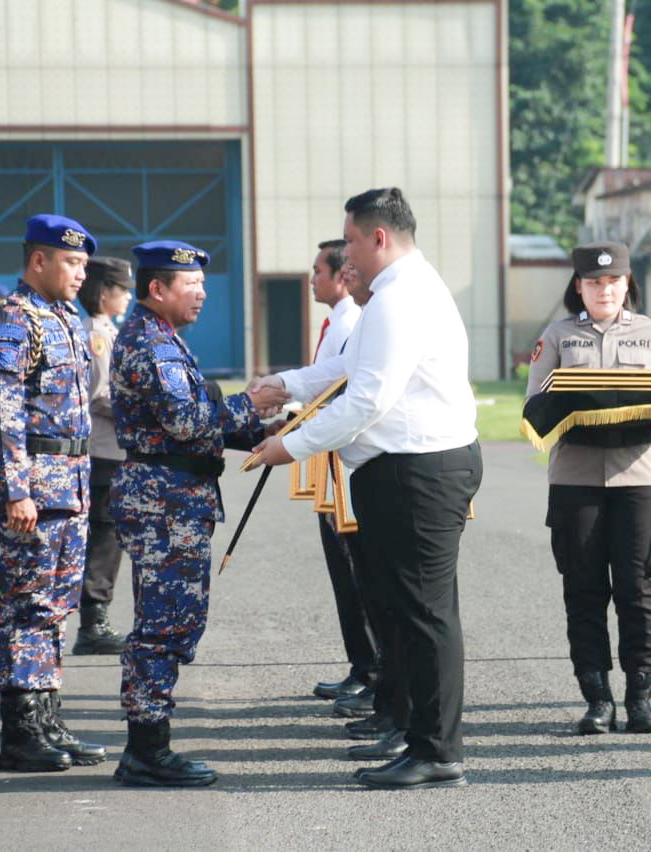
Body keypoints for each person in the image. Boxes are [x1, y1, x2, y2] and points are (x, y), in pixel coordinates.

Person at [250, 187, 482, 790]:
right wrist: (283, 383)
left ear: (379, 237)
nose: (346, 252)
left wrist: (289, 445)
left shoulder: (400, 298)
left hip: (419, 470)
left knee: (425, 615)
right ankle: (419, 733)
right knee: (406, 610)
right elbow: (348, 368)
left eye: (351, 239)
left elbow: (366, 399)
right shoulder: (397, 293)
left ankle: (436, 749)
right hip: (407, 468)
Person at [109, 240, 289, 787]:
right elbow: (189, 424)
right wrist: (250, 405)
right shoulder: (150, 345)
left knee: (172, 622)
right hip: (164, 504)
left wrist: (269, 430)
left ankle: (149, 745)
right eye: (192, 285)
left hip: (175, 501)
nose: (203, 294)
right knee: (162, 627)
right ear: (157, 288)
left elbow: (203, 419)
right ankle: (146, 751)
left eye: (204, 285)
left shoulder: (165, 340)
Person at [523, 241, 651, 737]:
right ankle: (597, 700)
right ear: (578, 286)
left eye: (613, 281)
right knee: (584, 591)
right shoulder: (556, 337)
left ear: (627, 283)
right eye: (593, 282)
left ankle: (640, 699)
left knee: (639, 590)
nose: (604, 290)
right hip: (575, 476)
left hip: (638, 477)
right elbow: (535, 403)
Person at [0, 213, 107, 772]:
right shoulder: (13, 320)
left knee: (54, 609)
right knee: (25, 607)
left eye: (83, 264)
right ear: (39, 261)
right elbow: (1, 415)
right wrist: (15, 491)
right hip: (34, 492)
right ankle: (20, 734)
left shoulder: (66, 318)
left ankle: (47, 718)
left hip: (70, 485)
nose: (81, 274)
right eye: (72, 262)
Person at [304, 239, 382, 715]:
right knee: (344, 569)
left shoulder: (354, 321)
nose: (313, 279)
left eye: (319, 271)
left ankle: (371, 668)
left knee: (358, 569)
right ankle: (362, 665)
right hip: (330, 456)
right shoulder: (338, 322)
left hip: (349, 459)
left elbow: (342, 393)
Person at [73, 256, 134, 655]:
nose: (127, 296)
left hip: (111, 448)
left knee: (110, 534)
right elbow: (100, 395)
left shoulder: (107, 332)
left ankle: (95, 617)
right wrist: (142, 404)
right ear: (104, 293)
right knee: (106, 536)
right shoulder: (98, 335)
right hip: (105, 450)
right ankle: (92, 624)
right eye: (121, 289)